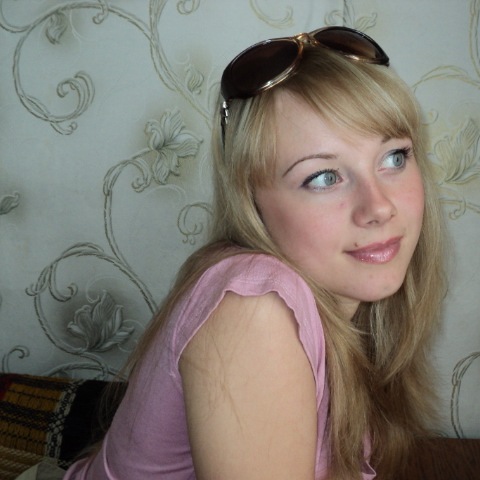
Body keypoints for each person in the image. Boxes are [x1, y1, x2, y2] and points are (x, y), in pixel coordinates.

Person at [59, 26, 446, 480]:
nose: (379, 207)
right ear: (253, 204)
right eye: (323, 177)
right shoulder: (255, 309)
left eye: (394, 157)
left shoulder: (340, 308)